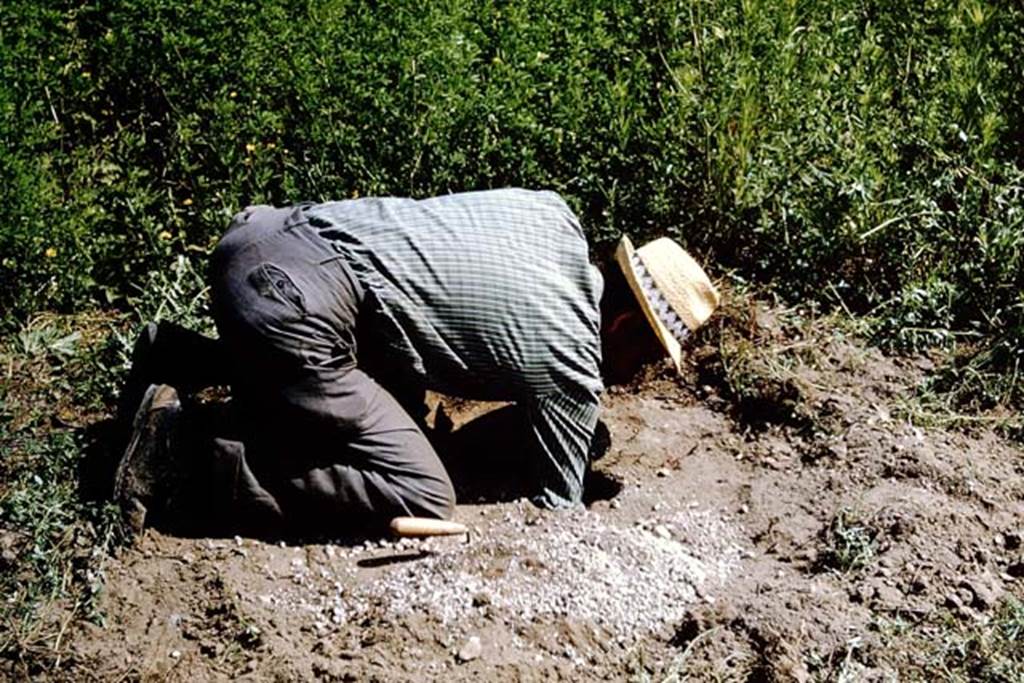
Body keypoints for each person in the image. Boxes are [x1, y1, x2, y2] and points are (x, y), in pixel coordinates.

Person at [112, 188, 719, 539]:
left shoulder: (549, 214)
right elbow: (558, 508)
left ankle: (181, 357)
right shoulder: (574, 369)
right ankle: (182, 455)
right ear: (622, 325)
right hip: (292, 308)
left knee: (386, 401)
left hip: (261, 240)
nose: (639, 373)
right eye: (647, 354)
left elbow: (408, 300)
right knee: (425, 491)